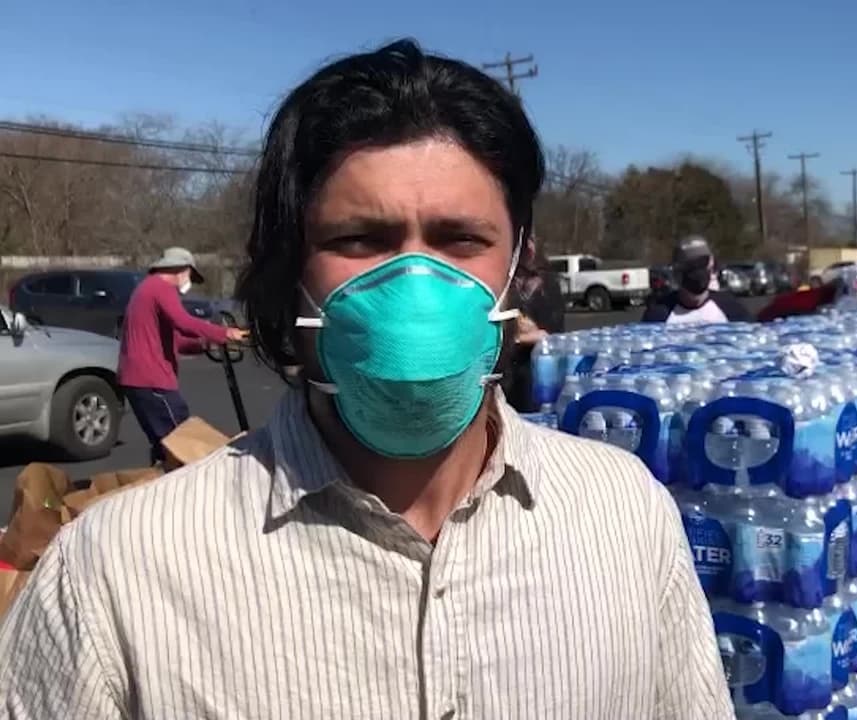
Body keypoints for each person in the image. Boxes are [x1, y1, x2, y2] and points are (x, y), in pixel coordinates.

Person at [0, 40, 731, 720]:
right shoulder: (114, 576)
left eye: (460, 240)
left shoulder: (627, 517)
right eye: (361, 241)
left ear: (518, 267)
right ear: (292, 269)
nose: (415, 284)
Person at [117, 247, 248, 464]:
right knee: (180, 441)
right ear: (182, 270)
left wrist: (204, 343)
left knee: (164, 445)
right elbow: (184, 323)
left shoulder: (145, 289)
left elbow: (172, 338)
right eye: (189, 275)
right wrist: (224, 333)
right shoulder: (161, 288)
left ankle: (160, 482)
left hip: (136, 379)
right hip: (152, 380)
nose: (188, 282)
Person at [502, 232, 566, 412]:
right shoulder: (507, 282)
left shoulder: (546, 285)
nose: (528, 248)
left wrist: (516, 336)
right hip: (508, 373)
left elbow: (549, 335)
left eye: (529, 242)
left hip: (535, 371)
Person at [641, 235, 751, 324]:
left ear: (711, 266)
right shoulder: (658, 315)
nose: (698, 271)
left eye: (702, 263)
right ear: (677, 273)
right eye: (691, 266)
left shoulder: (732, 310)